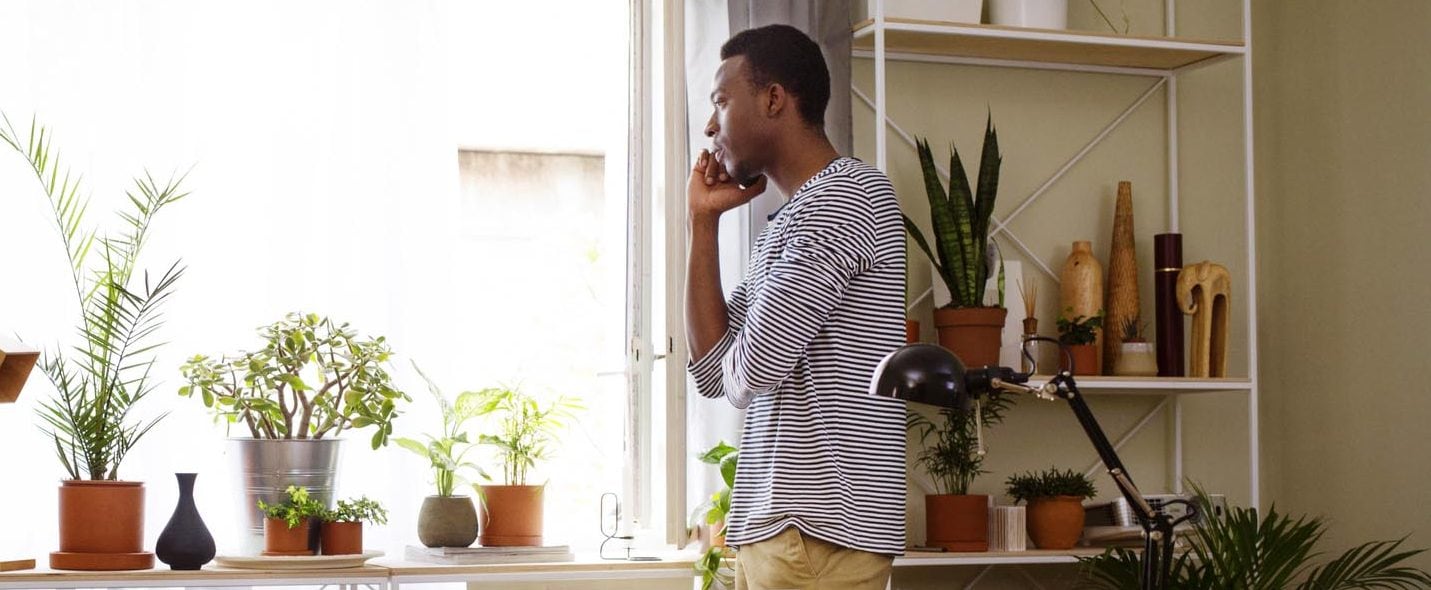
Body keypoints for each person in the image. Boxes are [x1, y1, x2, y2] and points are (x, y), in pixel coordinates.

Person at [685, 23, 907, 590]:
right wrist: (703, 223)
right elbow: (714, 369)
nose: (711, 125)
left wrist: (741, 359)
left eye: (721, 101)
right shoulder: (792, 219)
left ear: (774, 99)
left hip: (814, 536)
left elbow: (753, 365)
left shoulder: (844, 199)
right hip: (790, 535)